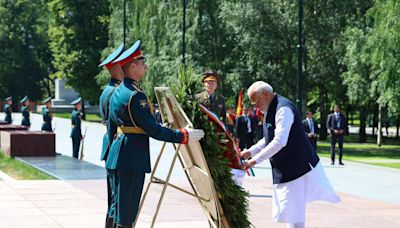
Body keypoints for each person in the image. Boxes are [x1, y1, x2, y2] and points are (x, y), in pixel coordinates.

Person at [106, 40, 205, 227]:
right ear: (132, 67)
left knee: (120, 208)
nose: (146, 67)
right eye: (142, 64)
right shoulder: (136, 95)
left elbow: (112, 127)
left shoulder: (118, 92)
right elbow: (153, 130)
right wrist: (183, 135)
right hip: (132, 155)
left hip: (119, 155)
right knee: (127, 214)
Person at [241, 81, 340, 228]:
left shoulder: (283, 109)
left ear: (266, 95)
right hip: (287, 169)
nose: (255, 107)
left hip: (296, 168)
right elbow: (268, 137)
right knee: (292, 213)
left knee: (292, 212)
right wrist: (250, 151)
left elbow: (280, 141)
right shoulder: (269, 108)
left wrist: (254, 161)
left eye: (257, 102)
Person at [98, 43, 125, 228]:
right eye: (121, 65)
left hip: (110, 145)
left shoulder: (108, 90)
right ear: (115, 68)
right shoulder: (115, 91)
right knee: (117, 196)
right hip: (115, 146)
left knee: (113, 195)